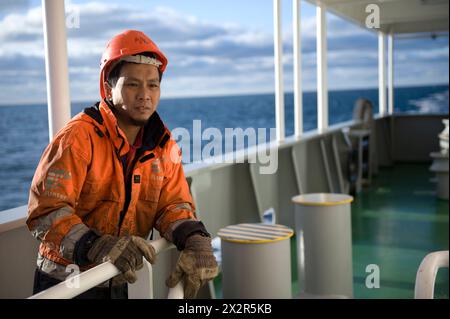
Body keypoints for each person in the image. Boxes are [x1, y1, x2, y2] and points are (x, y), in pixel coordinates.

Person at [27, 30, 219, 299]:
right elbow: (46, 211)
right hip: (65, 284)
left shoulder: (163, 146)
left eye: (153, 85)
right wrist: (97, 245)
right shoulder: (78, 138)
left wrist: (195, 239)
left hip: (117, 281)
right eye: (132, 84)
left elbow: (173, 205)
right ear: (108, 88)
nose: (144, 95)